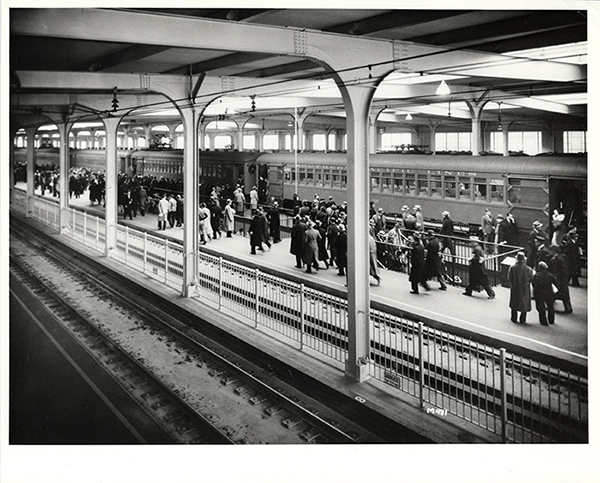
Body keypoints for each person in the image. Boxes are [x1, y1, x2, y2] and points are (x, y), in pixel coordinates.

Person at [508, 251, 533, 324]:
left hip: (515, 287)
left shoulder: (512, 268)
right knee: (524, 303)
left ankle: (514, 318)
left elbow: (510, 277)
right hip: (525, 288)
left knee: (514, 302)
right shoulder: (529, 269)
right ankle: (523, 319)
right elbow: (531, 279)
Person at [532, 261, 559, 326]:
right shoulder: (550, 275)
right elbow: (556, 283)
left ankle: (543, 321)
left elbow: (534, 284)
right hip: (549, 292)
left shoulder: (537, 275)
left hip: (539, 293)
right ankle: (551, 320)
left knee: (541, 307)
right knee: (550, 306)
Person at [548, 246, 572, 314]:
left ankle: (567, 309)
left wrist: (557, 276)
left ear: (553, 251)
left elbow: (562, 269)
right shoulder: (559, 257)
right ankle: (568, 308)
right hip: (561, 279)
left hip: (560, 279)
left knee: (561, 293)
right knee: (562, 293)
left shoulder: (558, 259)